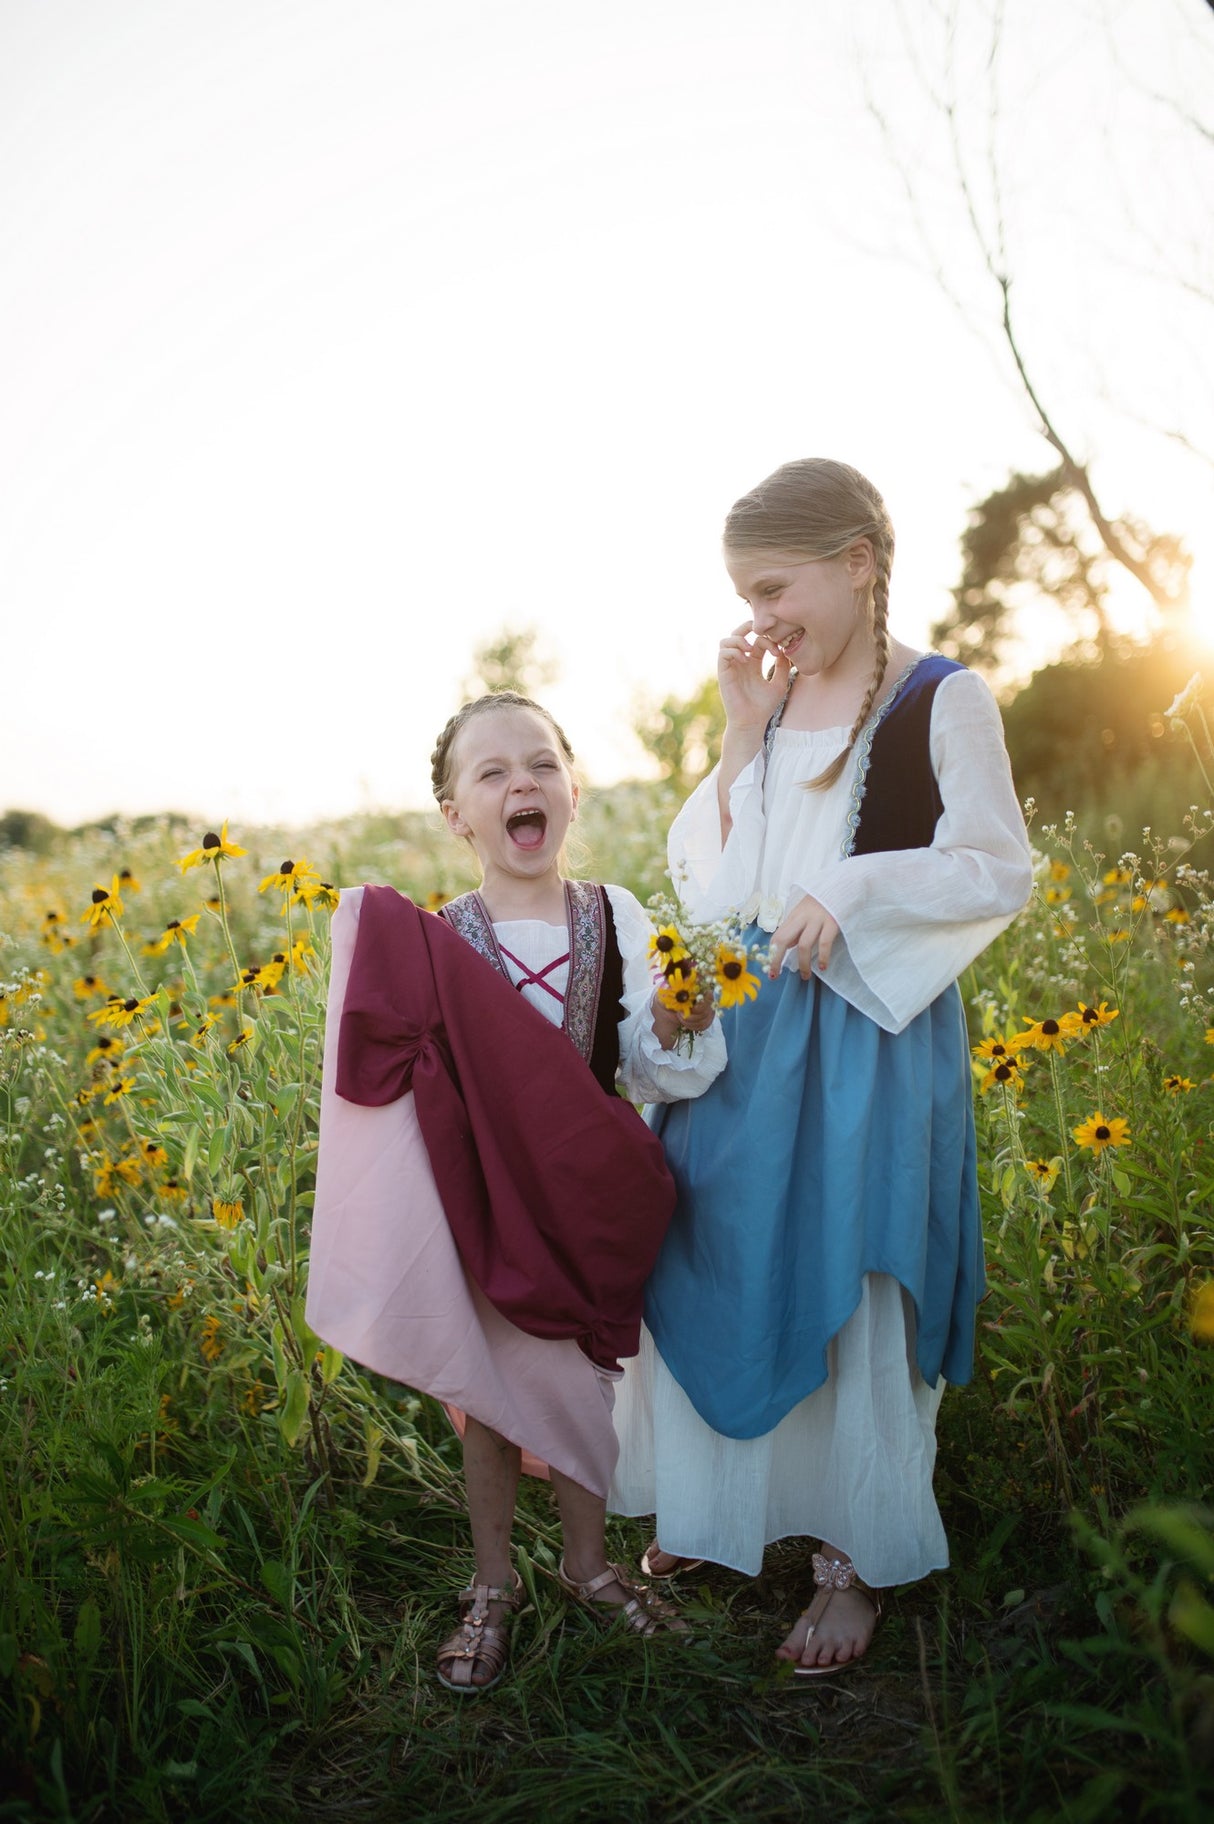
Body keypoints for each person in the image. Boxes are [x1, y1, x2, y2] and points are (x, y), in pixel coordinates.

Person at [609, 458, 1033, 1674]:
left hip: (865, 1042)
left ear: (855, 563)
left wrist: (851, 888)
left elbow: (994, 866)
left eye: (772, 587)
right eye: (745, 594)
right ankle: (714, 1509)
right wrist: (741, 731)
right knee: (717, 1256)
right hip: (747, 1034)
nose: (759, 617)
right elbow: (719, 890)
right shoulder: (777, 697)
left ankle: (850, 1556)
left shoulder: (941, 698)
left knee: (851, 1281)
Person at [306, 691, 724, 1693]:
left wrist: (674, 1025)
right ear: (457, 815)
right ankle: (492, 1583)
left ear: (573, 789)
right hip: (487, 1203)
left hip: (588, 1194)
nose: (520, 783)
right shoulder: (440, 938)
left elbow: (641, 1060)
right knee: (485, 1392)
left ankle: (588, 1566)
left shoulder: (615, 915)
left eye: (539, 764)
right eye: (491, 773)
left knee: (583, 1381)